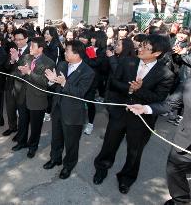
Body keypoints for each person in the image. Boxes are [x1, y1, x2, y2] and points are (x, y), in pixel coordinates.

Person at [93, 34, 175, 194]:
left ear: (157, 53)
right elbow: (114, 82)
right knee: (110, 143)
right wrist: (130, 88)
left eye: (146, 47)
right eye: (141, 45)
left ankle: (126, 178)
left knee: (134, 151)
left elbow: (159, 98)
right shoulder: (127, 61)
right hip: (119, 112)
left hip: (141, 118)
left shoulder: (166, 74)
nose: (141, 49)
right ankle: (102, 167)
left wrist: (140, 90)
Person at [127, 78, 191, 205]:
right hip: (184, 141)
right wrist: (145, 108)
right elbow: (170, 104)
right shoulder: (189, 82)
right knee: (174, 170)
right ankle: (181, 200)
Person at [43, 40, 94, 179]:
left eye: (67, 51)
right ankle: (55, 158)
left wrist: (64, 82)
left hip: (73, 113)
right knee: (56, 137)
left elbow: (80, 92)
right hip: (58, 107)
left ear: (77, 54)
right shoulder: (62, 64)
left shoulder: (87, 71)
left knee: (71, 142)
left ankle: (68, 165)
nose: (64, 53)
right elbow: (55, 86)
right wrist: (51, 81)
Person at [12, 37, 55, 158]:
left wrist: (29, 73)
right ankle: (21, 142)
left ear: (40, 49)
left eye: (32, 47)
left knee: (36, 126)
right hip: (23, 96)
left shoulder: (49, 62)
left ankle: (33, 147)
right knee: (22, 122)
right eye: (30, 46)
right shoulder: (26, 57)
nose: (29, 48)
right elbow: (18, 72)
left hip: (37, 99)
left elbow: (44, 82)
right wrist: (19, 68)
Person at [3, 29, 30, 138]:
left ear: (26, 39)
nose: (17, 42)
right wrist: (12, 61)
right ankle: (12, 127)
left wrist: (17, 59)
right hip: (10, 85)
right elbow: (6, 67)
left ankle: (21, 133)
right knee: (10, 109)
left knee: (22, 112)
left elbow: (25, 69)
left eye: (20, 39)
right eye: (16, 39)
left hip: (23, 87)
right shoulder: (13, 50)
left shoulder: (31, 51)